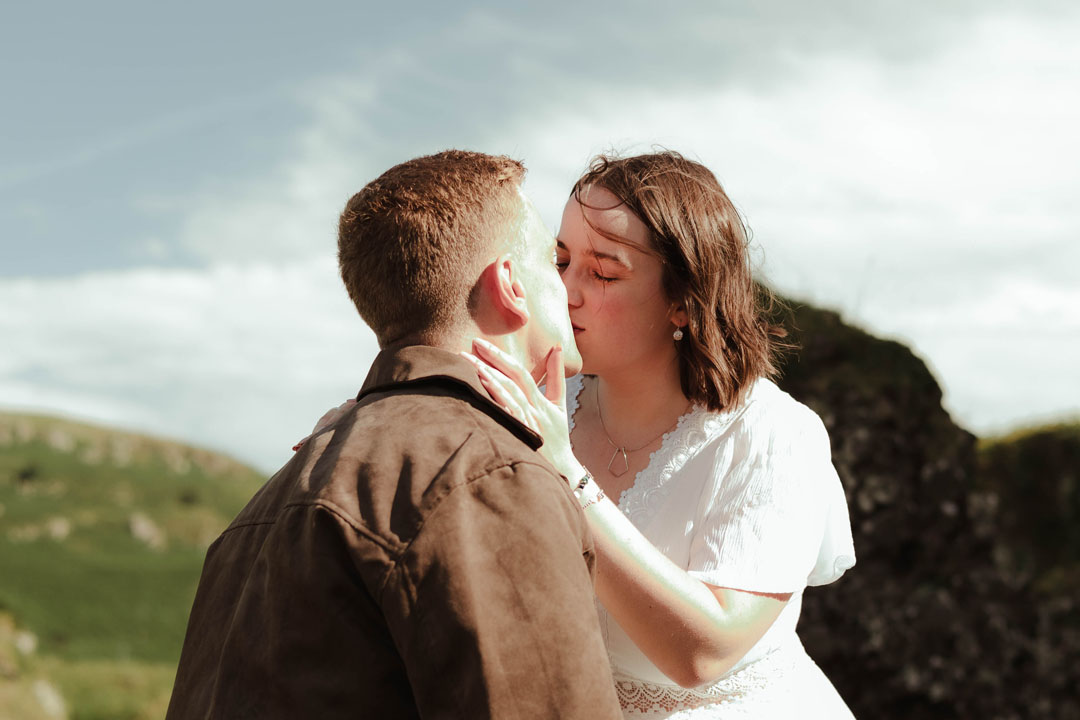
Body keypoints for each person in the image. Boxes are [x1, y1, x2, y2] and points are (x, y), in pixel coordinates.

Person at [166, 150, 622, 719]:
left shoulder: (260, 507)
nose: (569, 286)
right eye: (553, 262)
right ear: (510, 284)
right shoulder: (487, 477)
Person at [462, 151, 857, 718]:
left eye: (602, 272)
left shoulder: (774, 434)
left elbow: (705, 653)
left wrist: (565, 473)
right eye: (560, 260)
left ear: (682, 301)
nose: (564, 292)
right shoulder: (542, 403)